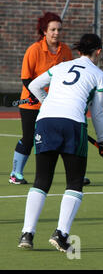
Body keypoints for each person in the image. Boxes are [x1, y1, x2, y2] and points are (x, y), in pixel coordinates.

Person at [17, 34, 103, 252]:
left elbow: (34, 85)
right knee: (75, 182)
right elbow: (97, 112)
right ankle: (61, 234)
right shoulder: (99, 74)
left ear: (79, 51)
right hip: (73, 125)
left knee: (41, 180)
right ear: (98, 52)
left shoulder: (61, 66)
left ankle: (27, 233)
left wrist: (47, 103)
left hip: (45, 121)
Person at [9, 12, 73, 185]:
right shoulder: (34, 50)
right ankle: (16, 174)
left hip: (55, 104)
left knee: (60, 139)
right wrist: (38, 96)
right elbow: (26, 78)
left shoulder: (66, 51)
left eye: (59, 29)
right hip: (31, 104)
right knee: (29, 138)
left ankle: (74, 175)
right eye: (52, 29)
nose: (56, 33)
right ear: (44, 31)